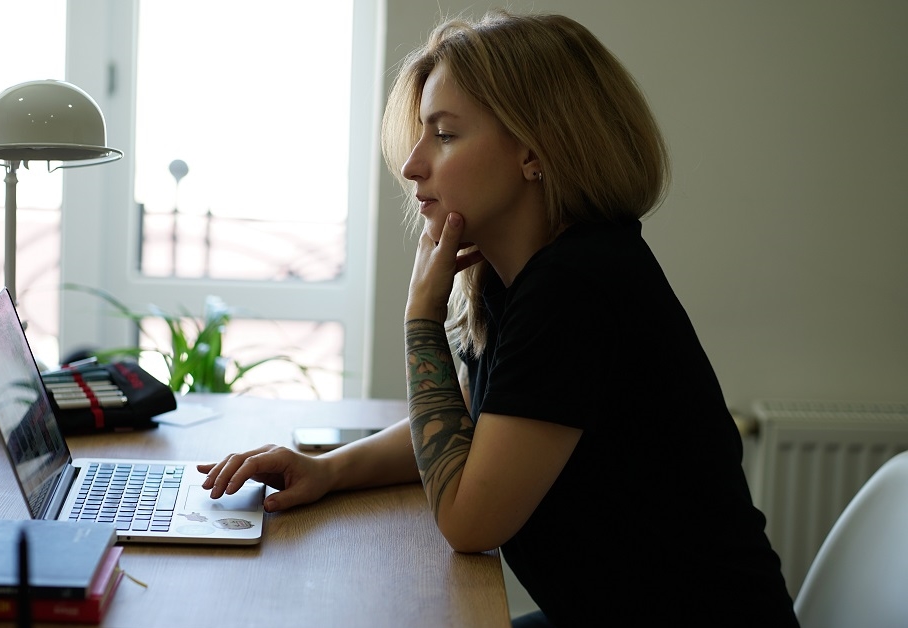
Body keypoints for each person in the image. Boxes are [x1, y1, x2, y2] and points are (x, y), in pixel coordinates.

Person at [199, 9, 799, 627]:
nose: (412, 166)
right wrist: (326, 471)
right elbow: (476, 426)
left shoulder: (580, 285)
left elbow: (467, 520)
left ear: (534, 150)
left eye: (446, 134)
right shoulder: (524, 276)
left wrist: (421, 320)